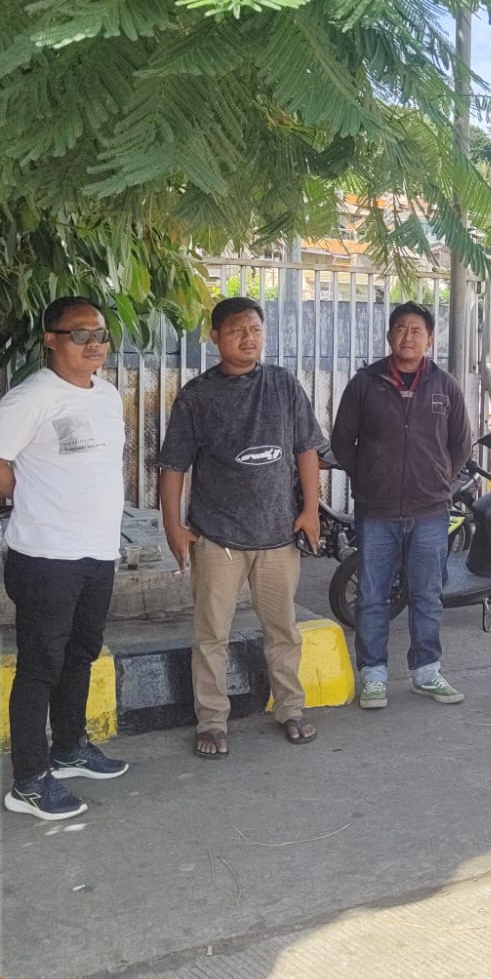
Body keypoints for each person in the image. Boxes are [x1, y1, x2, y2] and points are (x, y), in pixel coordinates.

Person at [0, 297, 130, 820]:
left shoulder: (107, 395)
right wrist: (29, 495)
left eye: (100, 334)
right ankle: (29, 782)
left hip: (97, 551)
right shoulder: (33, 396)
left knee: (80, 654)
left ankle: (69, 748)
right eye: (80, 334)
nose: (93, 344)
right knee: (40, 667)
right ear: (50, 340)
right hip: (45, 556)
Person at [157, 297, 325, 757]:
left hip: (277, 537)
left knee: (283, 630)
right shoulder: (197, 396)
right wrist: (173, 526)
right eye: (236, 331)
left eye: (255, 329)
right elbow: (173, 467)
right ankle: (212, 721)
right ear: (215, 337)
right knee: (211, 635)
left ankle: (290, 709)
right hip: (217, 538)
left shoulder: (283, 385)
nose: (248, 338)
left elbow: (307, 450)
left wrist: (310, 510)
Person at [330, 302, 472, 709]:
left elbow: (461, 443)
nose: (408, 337)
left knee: (427, 594)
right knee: (372, 595)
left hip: (430, 511)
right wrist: (369, 476)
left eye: (416, 331)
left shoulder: (445, 385)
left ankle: (426, 672)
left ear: (430, 339)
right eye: (401, 329)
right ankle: (373, 676)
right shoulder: (365, 383)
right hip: (376, 511)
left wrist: (438, 477)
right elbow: (342, 441)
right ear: (389, 335)